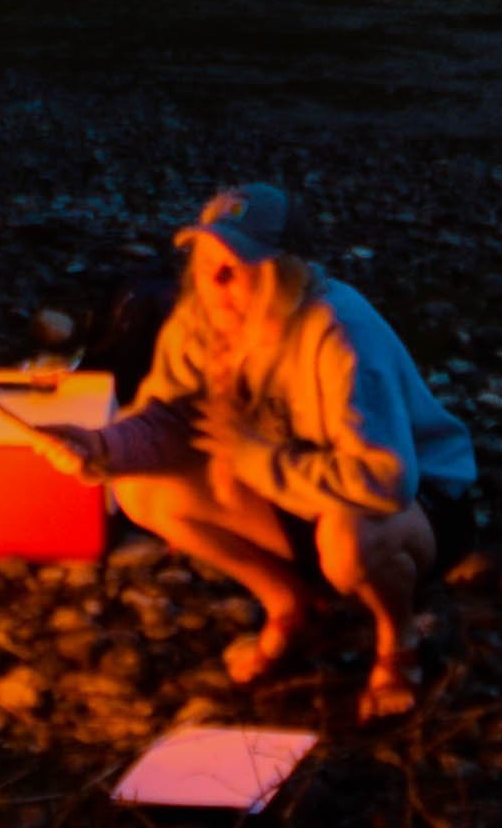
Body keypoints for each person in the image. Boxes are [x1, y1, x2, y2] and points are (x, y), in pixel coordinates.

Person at [90, 183, 480, 720]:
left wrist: (251, 458)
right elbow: (172, 420)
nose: (216, 278)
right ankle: (290, 605)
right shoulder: (205, 319)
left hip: (419, 508)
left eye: (237, 262)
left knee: (350, 535)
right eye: (207, 259)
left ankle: (399, 638)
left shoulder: (338, 331)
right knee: (139, 486)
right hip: (295, 494)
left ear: (283, 271)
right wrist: (100, 443)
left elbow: (385, 480)